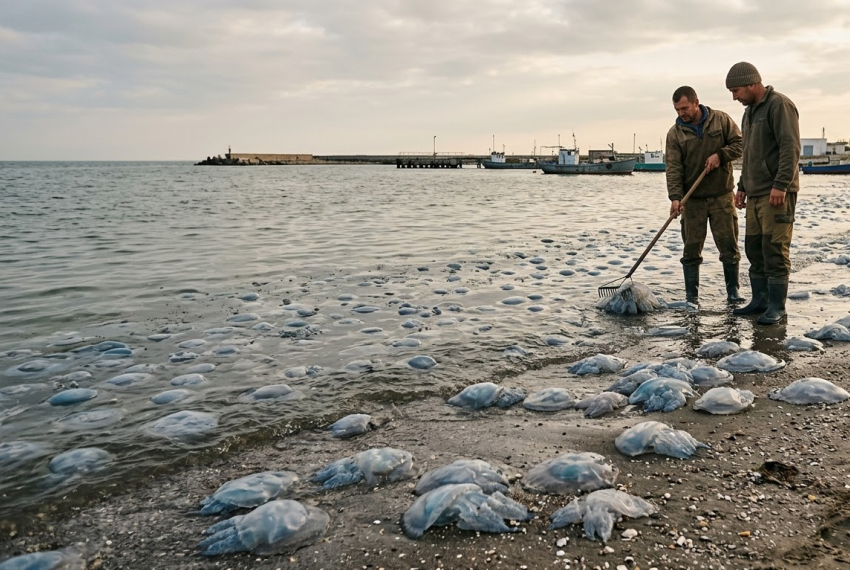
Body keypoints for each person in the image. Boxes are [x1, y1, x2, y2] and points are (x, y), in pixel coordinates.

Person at [726, 62, 800, 325]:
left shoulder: (779, 105)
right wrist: (742, 187)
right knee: (754, 248)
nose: (734, 97)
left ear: (751, 84)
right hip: (755, 193)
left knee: (775, 249)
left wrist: (781, 185)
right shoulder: (749, 113)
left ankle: (777, 307)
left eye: (736, 91)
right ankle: (759, 301)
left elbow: (790, 148)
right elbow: (750, 156)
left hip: (776, 193)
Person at [665, 85, 744, 304]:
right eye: (677, 109)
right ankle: (692, 297)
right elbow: (673, 168)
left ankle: (733, 292)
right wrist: (675, 198)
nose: (681, 113)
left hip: (722, 196)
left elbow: (740, 144)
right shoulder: (675, 134)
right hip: (692, 201)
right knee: (690, 250)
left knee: (729, 246)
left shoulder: (721, 120)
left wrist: (720, 155)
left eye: (684, 108)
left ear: (696, 102)